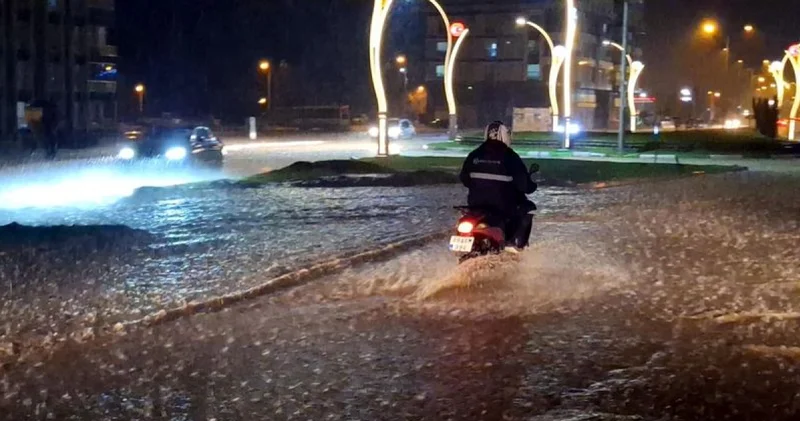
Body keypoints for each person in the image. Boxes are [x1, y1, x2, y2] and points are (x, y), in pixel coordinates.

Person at [459, 121, 537, 253]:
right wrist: (531, 185)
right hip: (501, 207)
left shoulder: (474, 155)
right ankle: (515, 245)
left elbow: (464, 179)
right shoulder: (510, 156)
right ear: (505, 135)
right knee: (528, 208)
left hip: (475, 207)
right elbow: (524, 186)